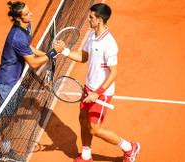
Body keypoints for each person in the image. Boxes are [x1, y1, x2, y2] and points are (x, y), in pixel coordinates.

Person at [59, 3, 140, 162]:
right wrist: (64, 51)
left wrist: (98, 93)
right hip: (88, 87)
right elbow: (83, 57)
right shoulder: (91, 36)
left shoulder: (109, 44)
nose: (88, 19)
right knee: (83, 120)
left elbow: (114, 73)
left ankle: (130, 148)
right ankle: (86, 156)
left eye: (91, 17)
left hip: (101, 93)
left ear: (100, 20)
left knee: (95, 129)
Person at [0, 1, 64, 161]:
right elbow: (34, 63)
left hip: (15, 79)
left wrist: (49, 53)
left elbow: (28, 48)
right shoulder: (16, 36)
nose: (31, 14)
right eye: (26, 14)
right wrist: (51, 53)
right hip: (6, 81)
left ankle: (5, 149)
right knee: (4, 119)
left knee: (9, 118)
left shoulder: (26, 26)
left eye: (29, 11)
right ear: (18, 18)